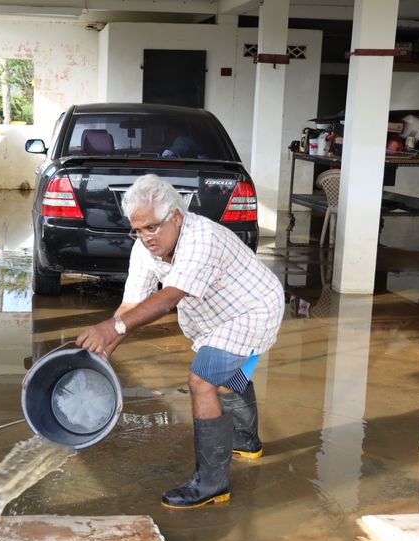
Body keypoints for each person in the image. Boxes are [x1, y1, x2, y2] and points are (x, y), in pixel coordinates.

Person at [76, 174, 285, 509]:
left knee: (202, 378)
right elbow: (131, 304)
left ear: (175, 217)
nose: (144, 238)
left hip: (253, 309)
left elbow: (169, 297)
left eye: (151, 228)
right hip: (216, 316)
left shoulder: (200, 238)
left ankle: (211, 484)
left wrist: (111, 328)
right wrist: (104, 349)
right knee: (226, 379)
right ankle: (247, 443)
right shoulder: (148, 247)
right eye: (137, 230)